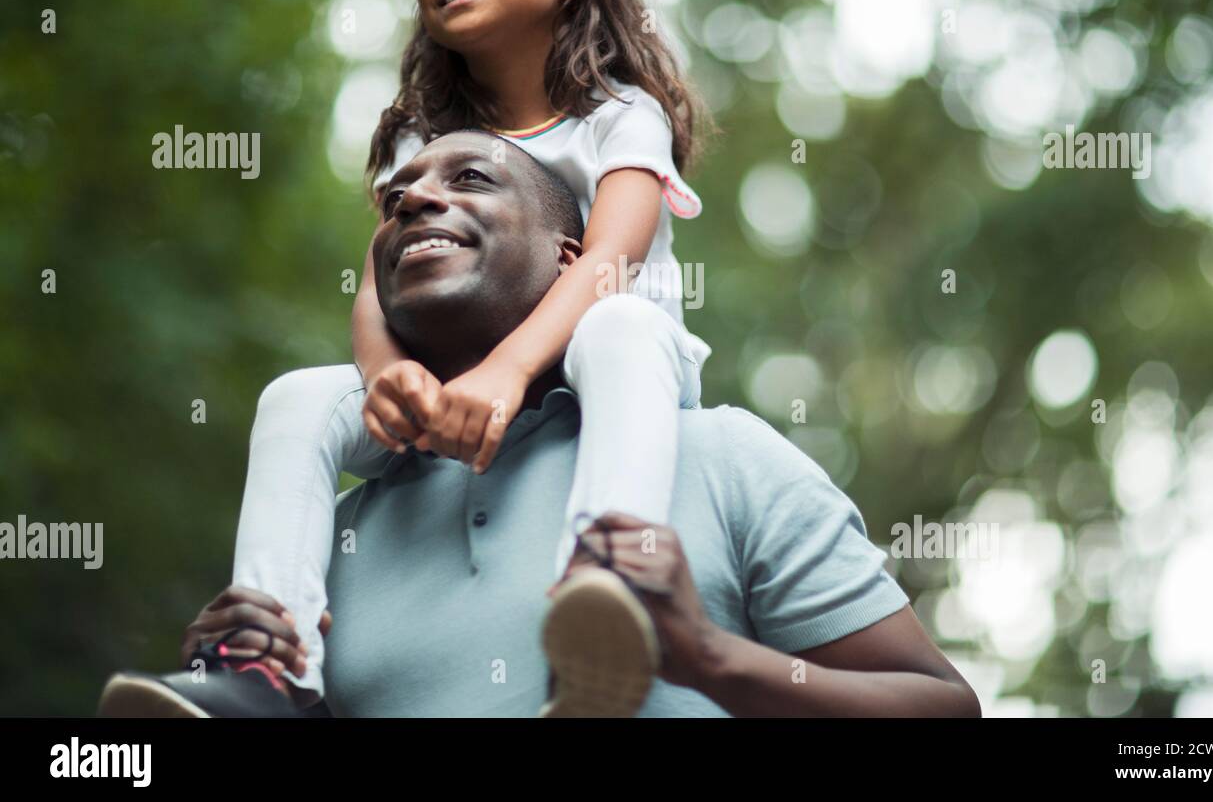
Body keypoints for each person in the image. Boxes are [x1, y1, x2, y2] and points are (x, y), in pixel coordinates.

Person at [99, 131, 980, 718]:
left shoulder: (720, 457)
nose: (412, 201)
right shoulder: (329, 542)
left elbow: (944, 707)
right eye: (399, 195)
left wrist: (709, 658)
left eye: (469, 180)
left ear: (571, 262)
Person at [244, 0, 717, 713]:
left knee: (620, 326)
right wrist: (391, 377)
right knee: (294, 400)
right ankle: (268, 666)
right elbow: (373, 285)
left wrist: (506, 370)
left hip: (605, 382)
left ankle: (605, 587)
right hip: (449, 397)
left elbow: (616, 258)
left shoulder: (619, 116)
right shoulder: (421, 140)